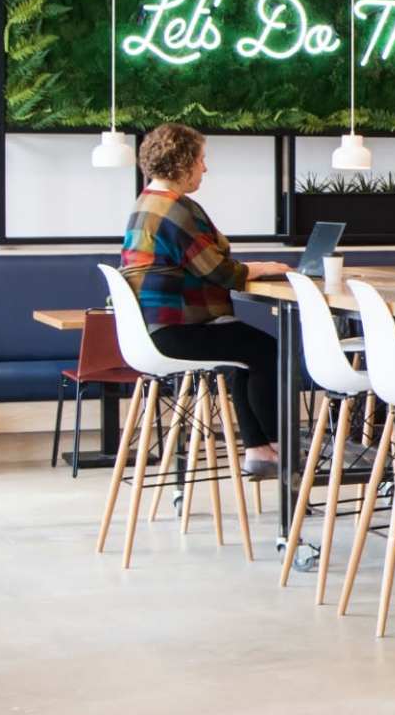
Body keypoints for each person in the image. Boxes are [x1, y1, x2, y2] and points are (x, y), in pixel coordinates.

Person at [120, 123, 287, 479]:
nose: (204, 168)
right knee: (266, 350)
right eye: (201, 159)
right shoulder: (175, 209)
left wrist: (250, 268)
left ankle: (260, 449)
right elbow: (218, 272)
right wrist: (260, 268)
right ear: (182, 163)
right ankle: (277, 445)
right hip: (174, 330)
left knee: (245, 350)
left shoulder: (145, 202)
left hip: (152, 329)